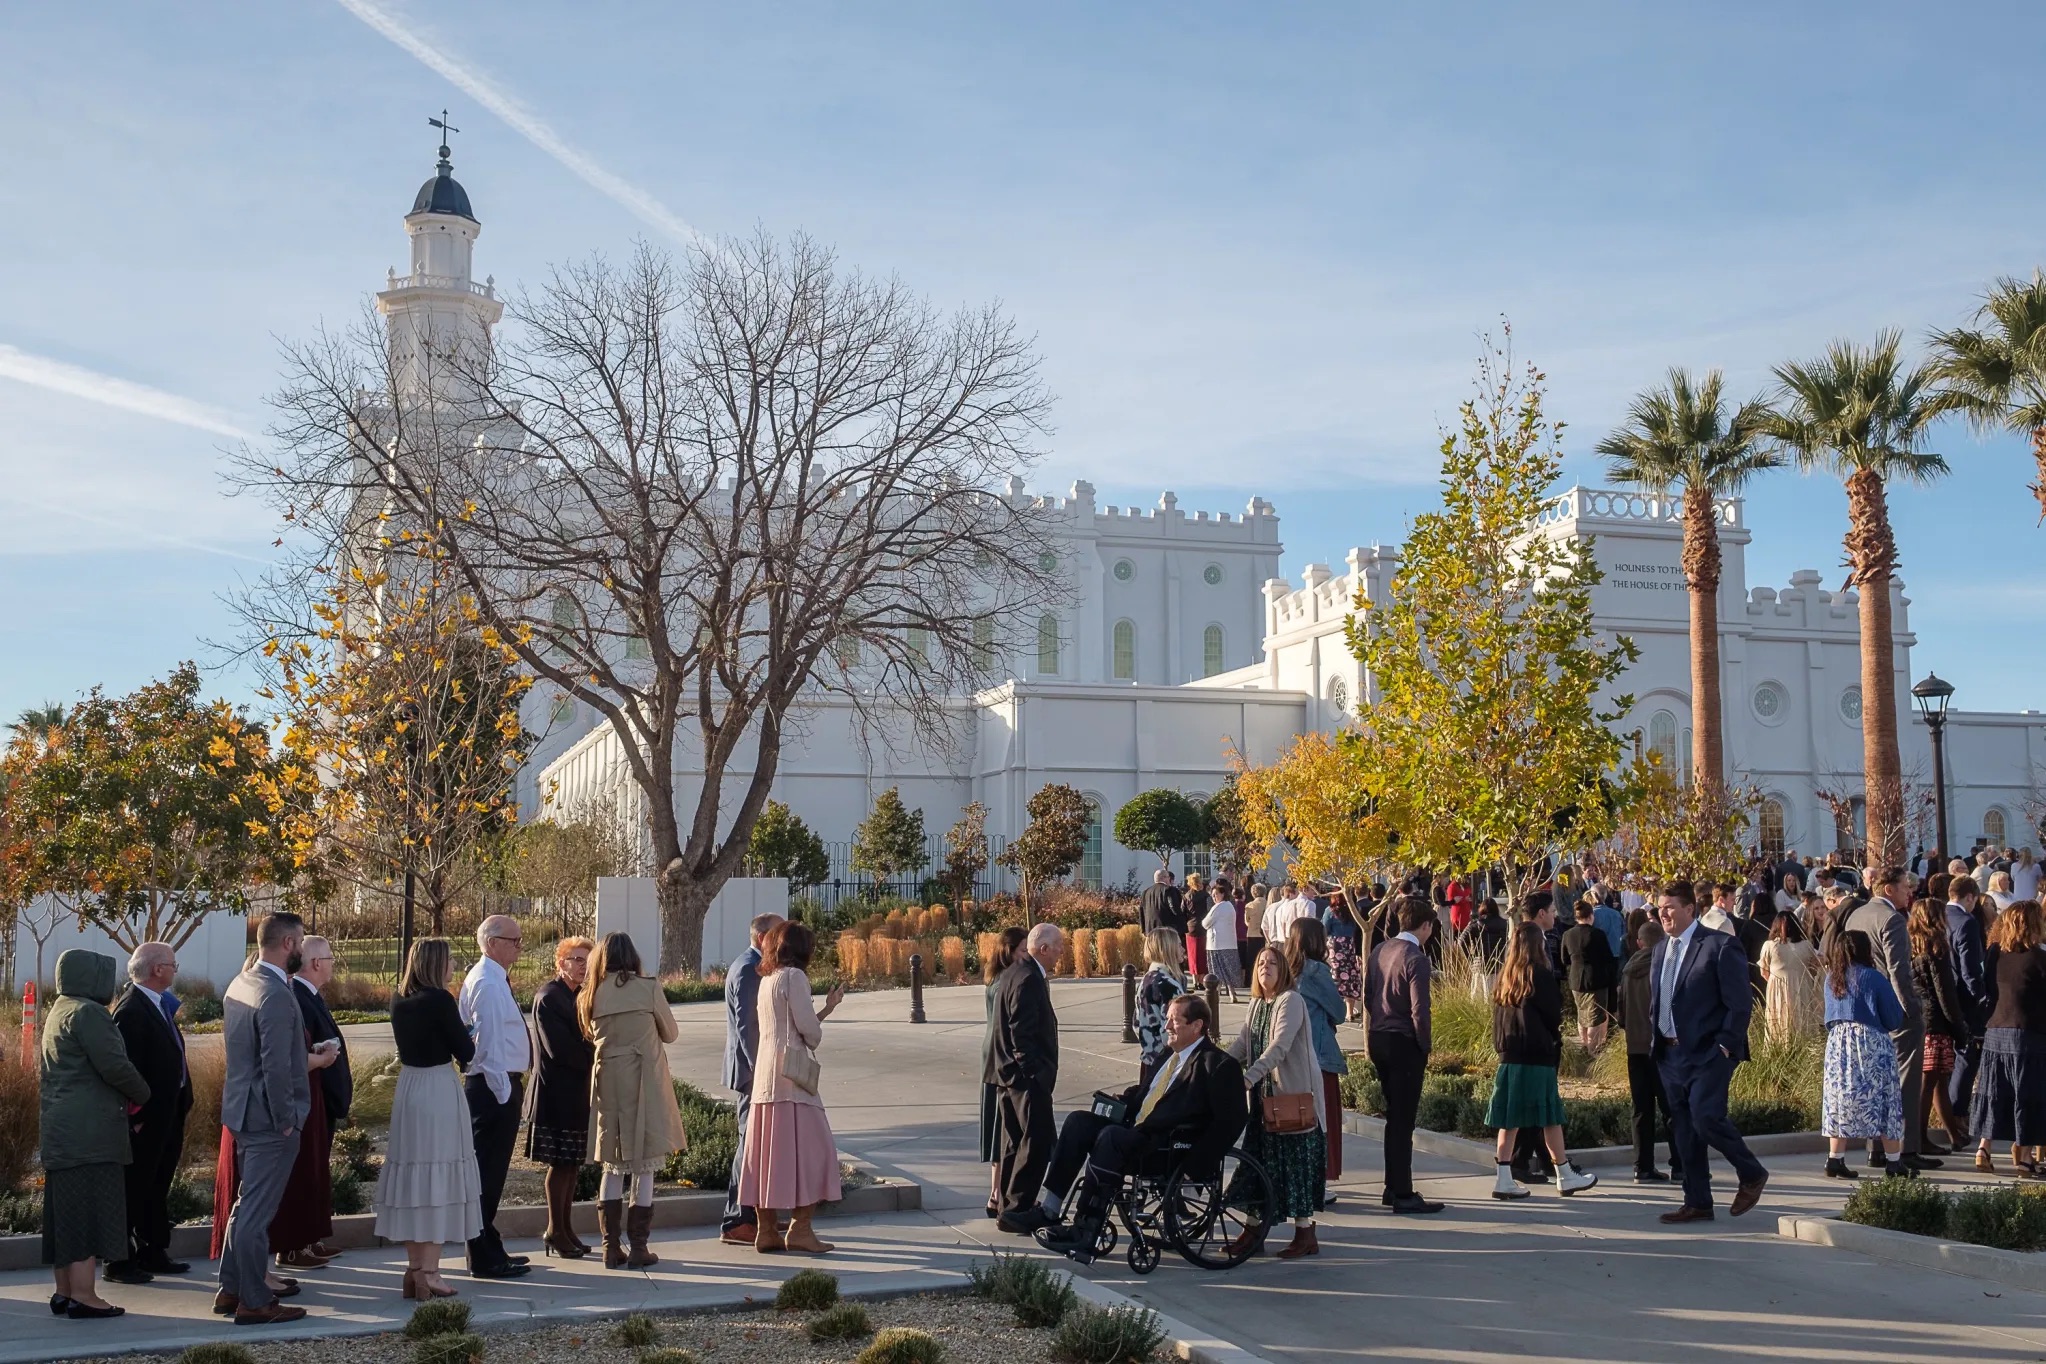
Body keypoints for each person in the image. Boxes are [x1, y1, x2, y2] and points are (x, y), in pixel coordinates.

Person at [1034, 995, 1249, 1261]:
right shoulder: (1169, 1054)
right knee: (1079, 1122)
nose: (1167, 1026)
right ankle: (1049, 1209)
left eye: (1175, 1020)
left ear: (1197, 1026)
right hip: (1136, 1127)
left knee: (1110, 1138)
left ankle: (1086, 1230)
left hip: (1163, 1144)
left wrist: (1197, 1166)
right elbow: (1146, 1092)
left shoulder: (1217, 1065)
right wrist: (1122, 1101)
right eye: (1168, 1018)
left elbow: (1231, 1121)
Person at [40, 948, 151, 1321]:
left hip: (61, 1130)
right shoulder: (89, 1014)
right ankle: (85, 1296)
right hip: (90, 1133)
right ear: (93, 977)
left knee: (65, 1214)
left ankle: (64, 1291)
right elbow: (115, 1066)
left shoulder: (60, 1009)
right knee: (87, 1212)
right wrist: (143, 1093)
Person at [1649, 881, 1769, 1223]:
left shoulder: (1719, 945)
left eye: (1670, 906)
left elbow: (1740, 1003)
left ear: (1690, 909)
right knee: (1684, 1130)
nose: (1664, 912)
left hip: (1708, 1054)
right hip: (1669, 1055)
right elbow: (1659, 1000)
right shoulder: (1660, 950)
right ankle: (1698, 1201)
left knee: (1706, 1117)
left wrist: (1725, 1045)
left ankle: (1751, 1172)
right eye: (1661, 907)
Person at [215, 913, 315, 1324]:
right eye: (302, 942)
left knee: (246, 1206)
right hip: (268, 1120)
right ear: (289, 944)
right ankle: (254, 1301)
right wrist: (286, 1118)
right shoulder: (274, 994)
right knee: (256, 1214)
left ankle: (231, 1288)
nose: (305, 950)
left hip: (242, 1111)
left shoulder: (242, 982)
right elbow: (274, 1066)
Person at [375, 938, 483, 1299]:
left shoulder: (399, 998)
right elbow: (464, 1051)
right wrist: (471, 1036)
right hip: (437, 1086)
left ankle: (414, 1269)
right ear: (437, 963)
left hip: (410, 1087)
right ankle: (431, 1272)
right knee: (438, 1175)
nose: (453, 965)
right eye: (450, 959)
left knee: (413, 1176)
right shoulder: (439, 999)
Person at [739, 922, 846, 1253]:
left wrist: (827, 1006)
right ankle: (800, 1229)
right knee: (815, 1151)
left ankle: (767, 1230)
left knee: (766, 1155)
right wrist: (824, 1014)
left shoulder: (767, 979)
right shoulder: (795, 977)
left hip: (766, 1078)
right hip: (793, 1079)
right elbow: (808, 1033)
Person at [583, 931, 689, 1267]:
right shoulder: (648, 988)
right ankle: (639, 1246)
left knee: (612, 1164)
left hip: (608, 1083)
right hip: (643, 1080)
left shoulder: (590, 994)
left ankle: (609, 1247)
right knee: (645, 1166)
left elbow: (588, 1034)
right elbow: (670, 1034)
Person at [1486, 923, 1598, 1202]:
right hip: (1536, 1054)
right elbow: (1553, 1016)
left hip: (1509, 1056)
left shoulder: (1505, 977)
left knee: (1510, 1119)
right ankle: (1563, 1173)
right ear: (1538, 945)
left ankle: (1503, 1178)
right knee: (1550, 1115)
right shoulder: (1540, 975)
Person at [1227, 947, 1326, 1259]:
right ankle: (1254, 1231)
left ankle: (1305, 1234)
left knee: (1294, 1166)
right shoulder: (1257, 1003)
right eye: (1259, 963)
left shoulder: (1290, 1001)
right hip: (1262, 1099)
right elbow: (1244, 1043)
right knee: (1259, 1164)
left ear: (1282, 970)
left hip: (1290, 1099)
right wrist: (1217, 1067)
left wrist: (1248, 1077)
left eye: (1271, 963)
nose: (1264, 967)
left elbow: (1279, 1046)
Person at [107, 942, 192, 1287]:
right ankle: (120, 1260)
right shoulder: (131, 1010)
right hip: (148, 1118)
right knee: (135, 1187)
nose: (175, 969)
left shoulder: (155, 1004)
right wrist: (137, 1115)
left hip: (167, 1115)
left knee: (157, 1185)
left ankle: (153, 1250)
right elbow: (128, 1069)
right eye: (172, 964)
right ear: (157, 969)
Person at [1840, 868, 1933, 1170]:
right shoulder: (1892, 919)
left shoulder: (1856, 915)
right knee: (1904, 1080)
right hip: (1894, 1010)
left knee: (1875, 1080)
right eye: (1906, 887)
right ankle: (1904, 1149)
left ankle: (1876, 1148)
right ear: (1889, 889)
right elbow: (1899, 971)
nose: (1910, 892)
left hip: (1864, 1009)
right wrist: (1912, 1010)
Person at [459, 914, 532, 1279]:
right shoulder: (487, 982)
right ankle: (484, 1256)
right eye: (513, 940)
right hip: (493, 1087)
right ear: (491, 941)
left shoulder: (493, 978)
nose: (519, 947)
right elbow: (485, 1045)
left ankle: (489, 1247)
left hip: (498, 1084)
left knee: (491, 1174)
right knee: (486, 1175)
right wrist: (504, 1092)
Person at [1365, 897, 1441, 1213]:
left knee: (1393, 1117)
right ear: (1425, 926)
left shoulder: (1379, 950)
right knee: (1402, 1120)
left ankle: (1392, 1186)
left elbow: (1368, 996)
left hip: (1380, 1036)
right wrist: (1424, 1045)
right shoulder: (1415, 958)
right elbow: (1419, 1011)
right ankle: (1403, 1192)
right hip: (1403, 1042)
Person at [991, 923, 1065, 1234]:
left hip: (1009, 1074)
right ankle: (1018, 1208)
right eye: (1059, 946)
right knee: (1035, 1141)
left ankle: (1009, 1206)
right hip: (1024, 1077)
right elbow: (1021, 1033)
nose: (1062, 952)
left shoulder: (1014, 971)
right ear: (1043, 949)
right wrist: (1036, 1073)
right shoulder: (1028, 979)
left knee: (1014, 1141)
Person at [526, 935, 595, 1258]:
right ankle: (555, 1230)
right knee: (560, 1163)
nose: (583, 967)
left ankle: (566, 1229)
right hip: (555, 1091)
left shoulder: (580, 995)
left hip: (577, 1090)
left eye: (587, 960)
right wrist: (595, 1054)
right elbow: (558, 1049)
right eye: (577, 960)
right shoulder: (549, 997)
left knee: (572, 1163)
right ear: (561, 962)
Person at [1821, 928, 1906, 1178]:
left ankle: (1835, 1159)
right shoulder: (1873, 977)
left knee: (1839, 1100)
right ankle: (1893, 1162)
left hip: (1837, 1043)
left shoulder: (1831, 979)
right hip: (1869, 1043)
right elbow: (1892, 1018)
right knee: (1884, 1099)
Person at [719, 915, 782, 1247]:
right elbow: (748, 1027)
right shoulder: (747, 968)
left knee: (754, 1145)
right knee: (749, 1146)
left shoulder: (754, 965)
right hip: (751, 1074)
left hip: (753, 1073)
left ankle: (756, 1219)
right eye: (778, 933)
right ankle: (736, 1220)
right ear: (762, 938)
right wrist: (762, 1071)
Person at [1971, 900, 2046, 1175]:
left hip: (1996, 1028)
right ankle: (2025, 1156)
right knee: (2027, 1093)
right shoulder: (2039, 958)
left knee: (1994, 1090)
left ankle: (1983, 1148)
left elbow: (1988, 988)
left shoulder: (1994, 953)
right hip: (2028, 1032)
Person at [1287, 919, 1349, 1188]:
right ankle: (1318, 1181)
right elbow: (1339, 1011)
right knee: (1322, 1121)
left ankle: (1297, 1179)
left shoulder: (1285, 970)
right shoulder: (1316, 972)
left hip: (1290, 1058)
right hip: (1319, 1056)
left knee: (1294, 1122)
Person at [1909, 897, 1970, 1154]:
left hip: (1921, 1019)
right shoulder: (1937, 947)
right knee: (1930, 1080)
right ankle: (1919, 1137)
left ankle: (1954, 1135)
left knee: (1938, 1080)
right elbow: (1945, 992)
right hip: (1936, 1021)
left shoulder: (1911, 946)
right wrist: (1959, 1027)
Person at [1620, 919, 1680, 1184]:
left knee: (1641, 1109)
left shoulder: (1627, 969)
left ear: (1639, 942)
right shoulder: (1664, 967)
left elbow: (1621, 1014)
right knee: (1672, 1108)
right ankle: (1681, 1164)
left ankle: (1642, 1166)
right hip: (1661, 1047)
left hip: (1634, 1047)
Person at [979, 927, 1028, 1218]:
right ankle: (997, 1193)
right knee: (1003, 1127)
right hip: (1002, 1062)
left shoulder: (995, 978)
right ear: (1009, 951)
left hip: (992, 1057)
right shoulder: (1006, 982)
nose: (1026, 956)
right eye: (1022, 950)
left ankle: (996, 1193)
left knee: (1001, 1125)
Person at [1946, 875, 1991, 1132]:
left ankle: (1948, 1111)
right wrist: (1982, 998)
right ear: (1970, 897)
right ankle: (1957, 1112)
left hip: (1944, 997)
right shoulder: (1967, 923)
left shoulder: (1939, 917)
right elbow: (1970, 969)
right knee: (1966, 1056)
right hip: (1965, 999)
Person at [1559, 899, 1617, 1051]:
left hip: (1576, 979)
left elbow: (1564, 959)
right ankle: (1592, 1048)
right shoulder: (1598, 934)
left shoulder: (1567, 934)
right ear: (1591, 915)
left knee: (1582, 1014)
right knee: (1595, 1017)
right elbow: (1608, 957)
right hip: (1596, 979)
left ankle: (1584, 1044)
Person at [1133, 929, 1186, 1088]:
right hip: (1166, 1064)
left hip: (1149, 1059)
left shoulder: (1147, 979)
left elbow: (1136, 1024)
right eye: (1178, 945)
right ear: (1168, 949)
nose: (1182, 949)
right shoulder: (1167, 984)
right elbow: (1174, 1030)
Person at [1759, 913, 1820, 1042]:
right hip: (1802, 987)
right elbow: (1814, 968)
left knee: (1778, 1022)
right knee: (1802, 1021)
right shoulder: (1807, 945)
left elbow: (1764, 972)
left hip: (1777, 990)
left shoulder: (1769, 946)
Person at [1324, 892, 1364, 1022]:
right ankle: (1349, 1011)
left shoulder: (1330, 911)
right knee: (1350, 977)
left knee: (1335, 977)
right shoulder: (1354, 910)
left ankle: (1334, 1009)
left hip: (1335, 946)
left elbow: (1325, 927)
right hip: (1350, 945)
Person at [1203, 882, 1244, 1000]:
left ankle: (1216, 993)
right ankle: (1231, 992)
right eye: (1212, 895)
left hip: (1216, 943)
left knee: (1216, 970)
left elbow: (1205, 923)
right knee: (1228, 968)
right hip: (1230, 942)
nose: (1214, 897)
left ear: (1222, 894)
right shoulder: (1230, 906)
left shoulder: (1218, 907)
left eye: (1216, 894)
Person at [1183, 873, 1211, 981]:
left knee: (1192, 955)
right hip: (1204, 927)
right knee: (1203, 955)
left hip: (1191, 927)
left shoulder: (1186, 896)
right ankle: (1203, 979)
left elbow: (1183, 911)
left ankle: (1195, 979)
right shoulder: (1206, 896)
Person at [1138, 869, 1180, 936]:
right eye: (1168, 877)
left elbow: (1141, 911)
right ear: (1164, 878)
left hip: (1150, 930)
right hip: (1167, 930)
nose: (1169, 879)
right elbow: (1175, 909)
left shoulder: (1145, 892)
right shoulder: (1170, 890)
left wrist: (1143, 929)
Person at [1242, 882, 1270, 968]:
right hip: (1264, 935)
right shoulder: (1268, 905)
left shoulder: (1249, 905)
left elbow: (1247, 922)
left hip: (1252, 934)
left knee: (1252, 960)